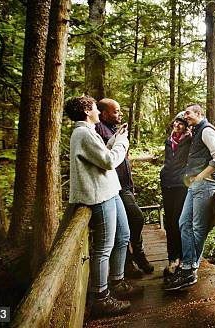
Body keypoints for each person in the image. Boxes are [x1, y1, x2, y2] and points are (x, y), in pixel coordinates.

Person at [64, 95, 142, 318]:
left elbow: (101, 155)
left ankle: (117, 282)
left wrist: (115, 139)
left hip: (110, 190)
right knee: (104, 248)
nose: (98, 110)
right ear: (87, 111)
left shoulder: (88, 132)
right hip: (99, 196)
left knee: (123, 236)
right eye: (94, 107)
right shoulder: (82, 132)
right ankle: (101, 298)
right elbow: (108, 161)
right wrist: (123, 142)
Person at [165, 104, 215, 291]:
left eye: (188, 113)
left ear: (199, 113)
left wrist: (201, 176)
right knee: (184, 223)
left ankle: (189, 270)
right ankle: (188, 266)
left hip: (205, 183)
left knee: (198, 227)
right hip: (195, 184)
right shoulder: (196, 130)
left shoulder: (206, 130)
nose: (185, 116)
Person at [95, 98, 154, 276]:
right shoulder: (99, 130)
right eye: (116, 111)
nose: (120, 114)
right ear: (104, 113)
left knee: (131, 221)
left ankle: (135, 256)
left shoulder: (113, 129)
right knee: (135, 218)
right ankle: (131, 259)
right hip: (115, 187)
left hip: (125, 184)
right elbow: (108, 158)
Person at [159, 111, 192, 278]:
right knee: (169, 222)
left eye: (181, 123)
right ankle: (172, 258)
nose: (177, 126)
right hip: (167, 183)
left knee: (178, 221)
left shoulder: (190, 139)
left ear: (186, 126)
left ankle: (182, 259)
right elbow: (168, 160)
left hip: (181, 184)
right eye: (176, 122)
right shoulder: (169, 139)